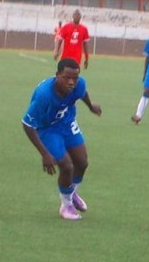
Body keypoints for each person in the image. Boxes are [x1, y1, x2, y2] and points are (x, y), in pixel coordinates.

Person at [22, 58, 102, 220]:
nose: (71, 82)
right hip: (47, 129)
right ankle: (66, 206)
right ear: (57, 75)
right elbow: (27, 124)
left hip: (67, 123)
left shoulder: (78, 84)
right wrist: (44, 154)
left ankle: (71, 193)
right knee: (66, 166)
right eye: (67, 77)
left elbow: (82, 92)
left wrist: (90, 105)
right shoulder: (44, 95)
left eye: (75, 77)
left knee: (82, 162)